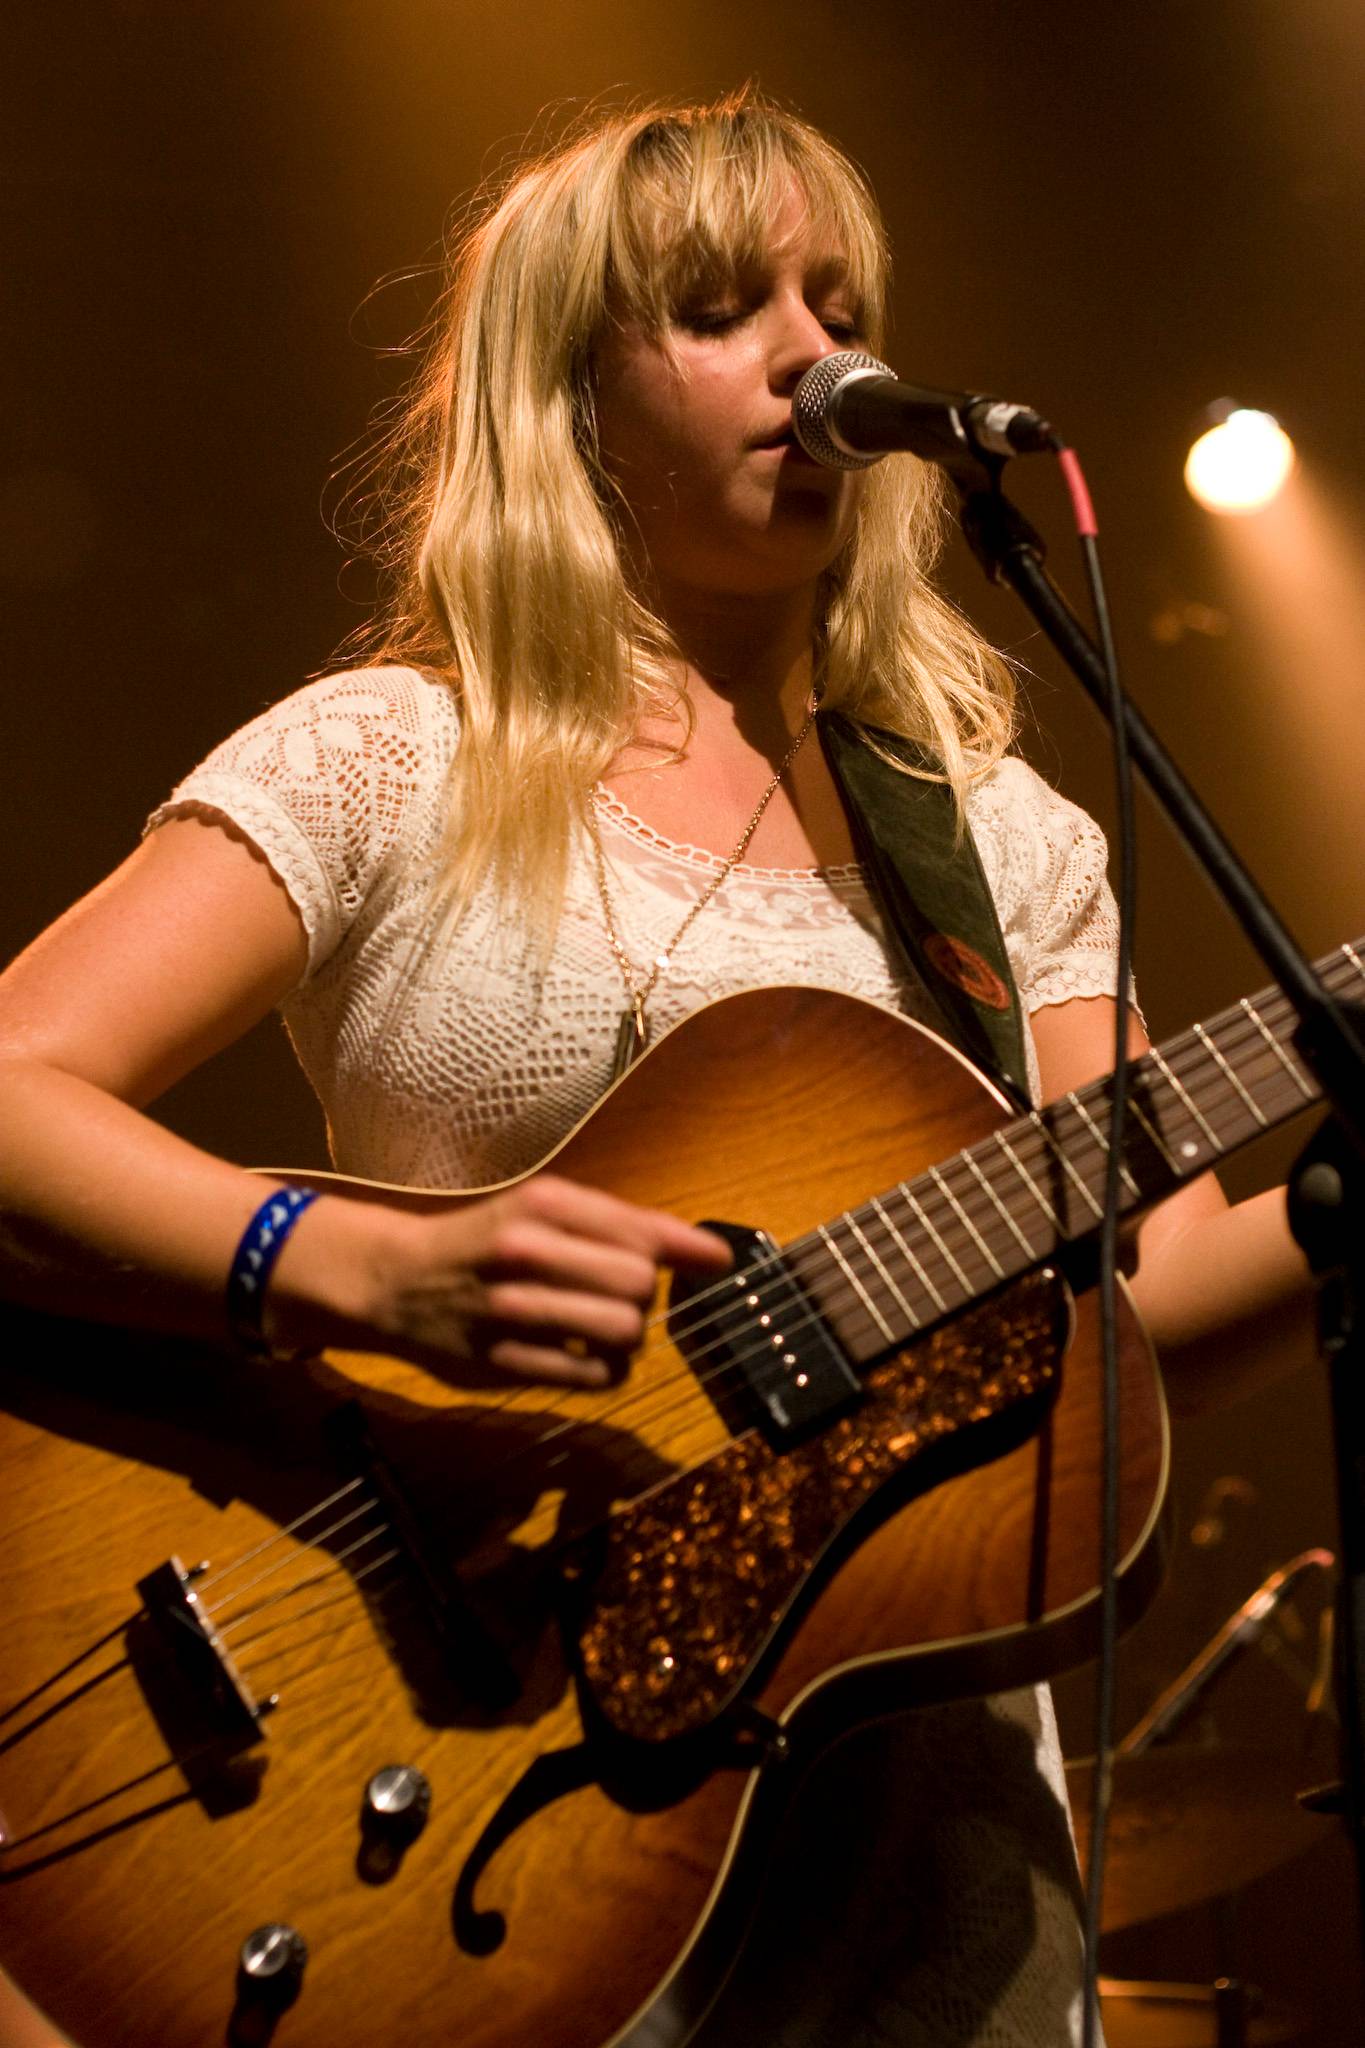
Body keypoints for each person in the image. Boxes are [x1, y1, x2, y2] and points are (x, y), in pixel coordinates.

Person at [0, 91, 1316, 2047]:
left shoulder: (992, 839)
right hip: (467, 1813)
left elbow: (1133, 1308)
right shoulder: (387, 759)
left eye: (837, 303)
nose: (811, 353)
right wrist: (346, 1261)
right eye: (719, 309)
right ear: (567, 398)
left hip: (923, 1889)